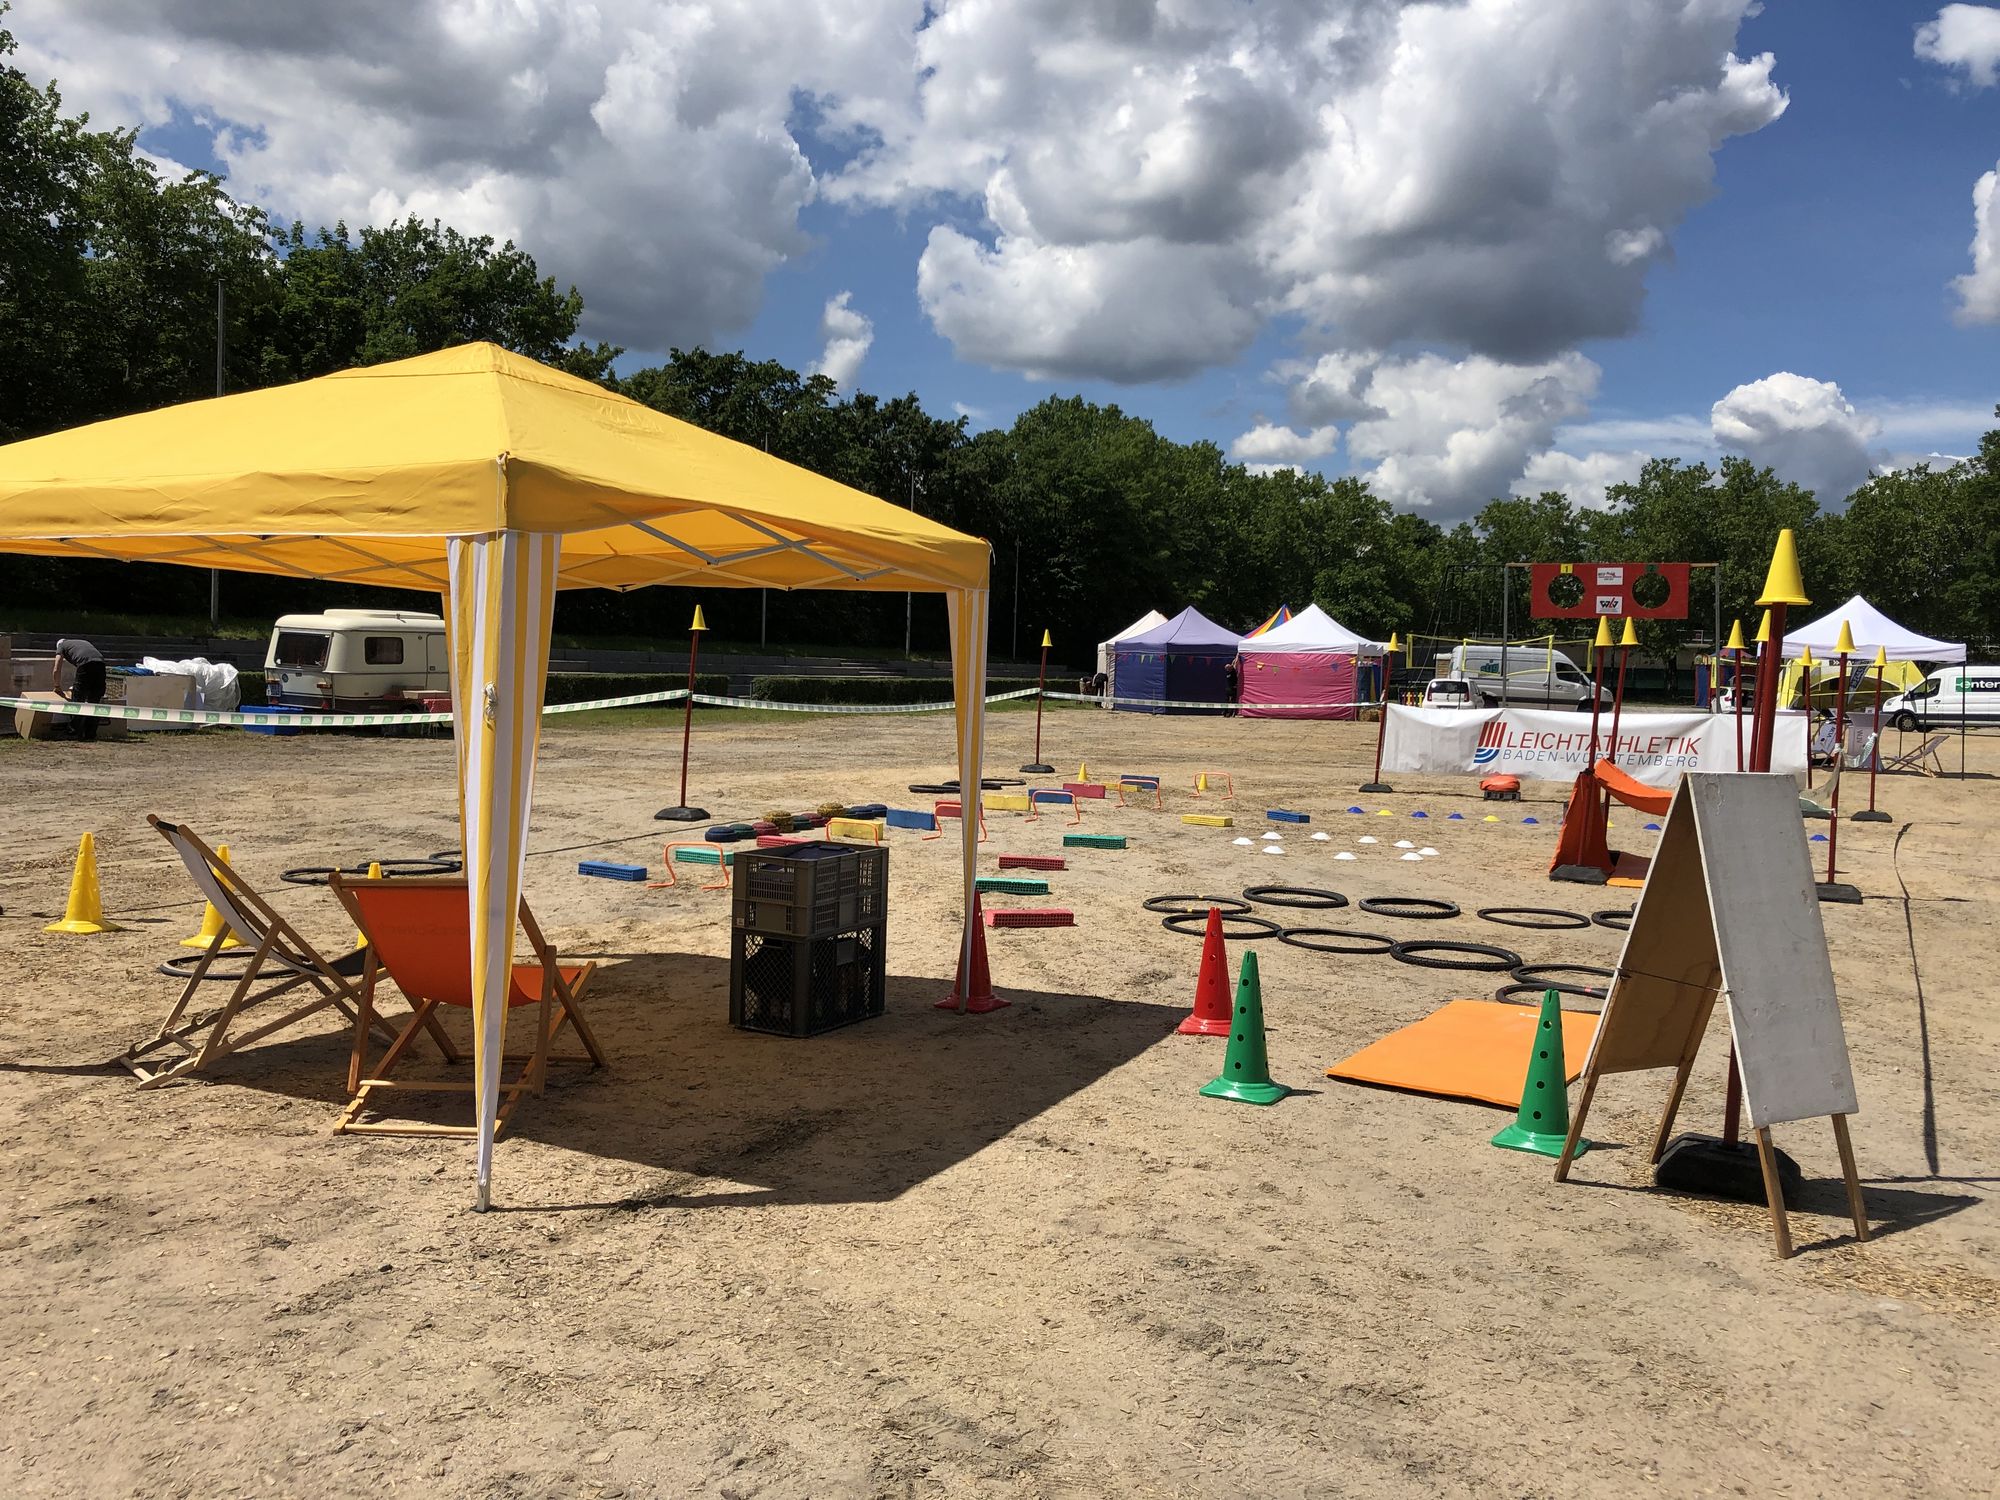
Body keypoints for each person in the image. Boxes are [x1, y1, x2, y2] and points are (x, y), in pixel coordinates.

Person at [53, 638, 106, 741]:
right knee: (94, 701)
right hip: (101, 665)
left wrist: (57, 686)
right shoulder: (81, 643)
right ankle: (90, 734)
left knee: (78, 701)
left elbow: (56, 669)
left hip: (85, 665)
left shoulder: (61, 646)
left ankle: (72, 732)